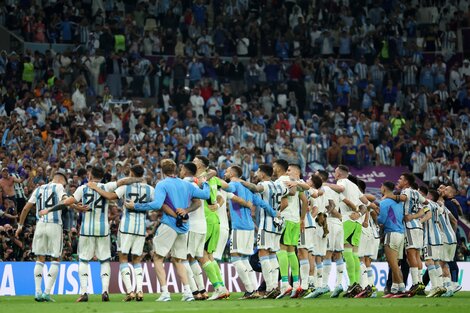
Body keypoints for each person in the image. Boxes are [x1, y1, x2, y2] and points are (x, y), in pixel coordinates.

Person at [38, 166, 140, 302]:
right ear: (102, 176)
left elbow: (66, 202)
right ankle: (105, 291)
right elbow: (122, 181)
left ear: (90, 175)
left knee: (84, 260)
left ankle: (84, 292)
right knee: (104, 260)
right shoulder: (107, 186)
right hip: (103, 230)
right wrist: (137, 178)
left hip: (86, 230)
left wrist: (49, 209)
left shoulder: (83, 188)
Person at [125, 159, 210, 302]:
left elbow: (157, 204)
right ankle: (188, 293)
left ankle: (165, 293)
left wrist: (136, 206)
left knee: (158, 257)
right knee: (179, 260)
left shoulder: (162, 184)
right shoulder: (186, 184)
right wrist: (204, 183)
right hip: (183, 227)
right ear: (175, 170)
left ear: (162, 171)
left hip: (169, 225)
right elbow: (205, 195)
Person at [85, 165, 154, 302]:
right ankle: (139, 290)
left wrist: (96, 188)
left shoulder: (126, 187)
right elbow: (158, 203)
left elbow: (110, 196)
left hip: (126, 227)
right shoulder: (150, 189)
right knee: (137, 259)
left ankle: (130, 291)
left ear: (131, 173)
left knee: (123, 258)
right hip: (140, 229)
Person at [15, 170, 75, 302]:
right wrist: (75, 205)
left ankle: (37, 292)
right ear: (60, 180)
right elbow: (66, 201)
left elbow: (25, 208)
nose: (64, 186)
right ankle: (47, 292)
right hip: (54, 225)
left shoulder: (38, 189)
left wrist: (20, 226)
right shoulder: (59, 187)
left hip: (40, 225)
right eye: (64, 183)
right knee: (55, 258)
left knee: (40, 258)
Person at [224, 165, 278, 299]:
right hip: (249, 227)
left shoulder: (234, 184)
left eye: (226, 171)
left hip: (239, 226)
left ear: (232, 173)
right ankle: (253, 289)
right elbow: (262, 204)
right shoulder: (248, 189)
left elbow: (227, 188)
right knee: (244, 259)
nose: (225, 173)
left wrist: (215, 181)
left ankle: (249, 289)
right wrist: (274, 214)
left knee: (235, 257)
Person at [240, 164, 290, 299]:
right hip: (278, 224)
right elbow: (287, 198)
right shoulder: (280, 186)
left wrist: (241, 181)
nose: (256, 173)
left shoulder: (265, 185)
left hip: (266, 223)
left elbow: (256, 188)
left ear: (263, 174)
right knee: (273, 254)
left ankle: (269, 288)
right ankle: (274, 287)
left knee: (263, 253)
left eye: (258, 171)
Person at [326, 165, 370, 297]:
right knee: (355, 254)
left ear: (339, 174)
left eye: (335, 172)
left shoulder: (342, 182)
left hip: (347, 221)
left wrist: (325, 184)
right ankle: (356, 284)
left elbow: (340, 188)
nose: (334, 174)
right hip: (356, 223)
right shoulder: (355, 186)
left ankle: (353, 284)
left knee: (347, 252)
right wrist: (360, 215)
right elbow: (366, 203)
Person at [385, 173, 427, 296]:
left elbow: (402, 198)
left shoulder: (407, 191)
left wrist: (389, 196)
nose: (399, 180)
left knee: (411, 255)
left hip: (409, 226)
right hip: (418, 225)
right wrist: (414, 216)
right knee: (417, 255)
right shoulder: (417, 193)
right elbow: (426, 204)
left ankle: (415, 284)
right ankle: (419, 283)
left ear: (407, 182)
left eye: (401, 179)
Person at [274, 161, 307, 299]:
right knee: (291, 251)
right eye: (286, 170)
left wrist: (274, 212)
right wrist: (302, 219)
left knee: (281, 249)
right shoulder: (298, 182)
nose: (287, 172)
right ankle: (296, 284)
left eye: (289, 170)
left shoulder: (282, 180)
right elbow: (305, 201)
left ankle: (285, 284)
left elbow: (286, 200)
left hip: (286, 219)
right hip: (295, 220)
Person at [378, 181, 407, 298]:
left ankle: (402, 288)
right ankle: (394, 289)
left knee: (393, 264)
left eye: (381, 186)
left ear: (384, 188)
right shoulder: (399, 202)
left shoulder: (384, 202)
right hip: (401, 234)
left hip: (391, 233)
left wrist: (375, 215)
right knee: (396, 264)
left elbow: (382, 220)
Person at [420, 188, 446, 298]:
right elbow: (442, 210)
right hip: (438, 237)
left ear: (430, 197)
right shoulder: (437, 206)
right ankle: (440, 286)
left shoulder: (427, 205)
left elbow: (428, 215)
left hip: (430, 238)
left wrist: (419, 221)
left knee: (429, 262)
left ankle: (435, 287)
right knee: (436, 262)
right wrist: (442, 203)